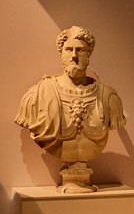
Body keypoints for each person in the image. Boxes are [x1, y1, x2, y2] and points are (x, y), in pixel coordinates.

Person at [15, 26, 125, 192]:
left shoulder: (108, 98)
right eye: (69, 50)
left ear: (89, 55)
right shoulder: (38, 95)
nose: (74, 56)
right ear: (61, 53)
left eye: (80, 50)